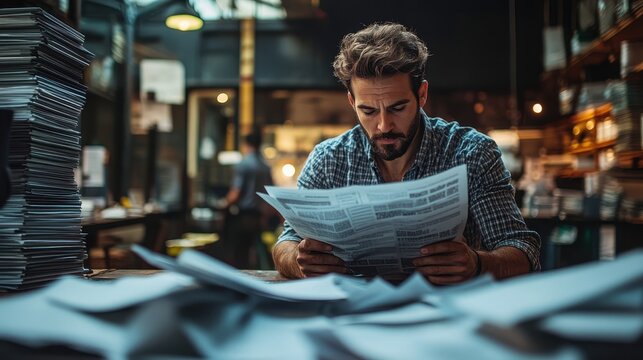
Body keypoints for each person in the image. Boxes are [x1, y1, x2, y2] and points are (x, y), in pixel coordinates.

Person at [272, 23, 541, 284]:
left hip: (448, 315)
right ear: (352, 102)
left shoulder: (472, 152)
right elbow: (286, 241)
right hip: (353, 314)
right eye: (368, 111)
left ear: (421, 94)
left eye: (397, 108)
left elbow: (523, 250)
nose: (383, 125)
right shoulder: (329, 160)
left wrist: (478, 264)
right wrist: (298, 261)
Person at [223, 131, 273, 269]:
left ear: (246, 144)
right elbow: (270, 194)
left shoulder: (243, 164)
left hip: (243, 216)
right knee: (259, 254)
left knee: (240, 254)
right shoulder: (265, 167)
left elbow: (236, 194)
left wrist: (223, 204)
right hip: (259, 217)